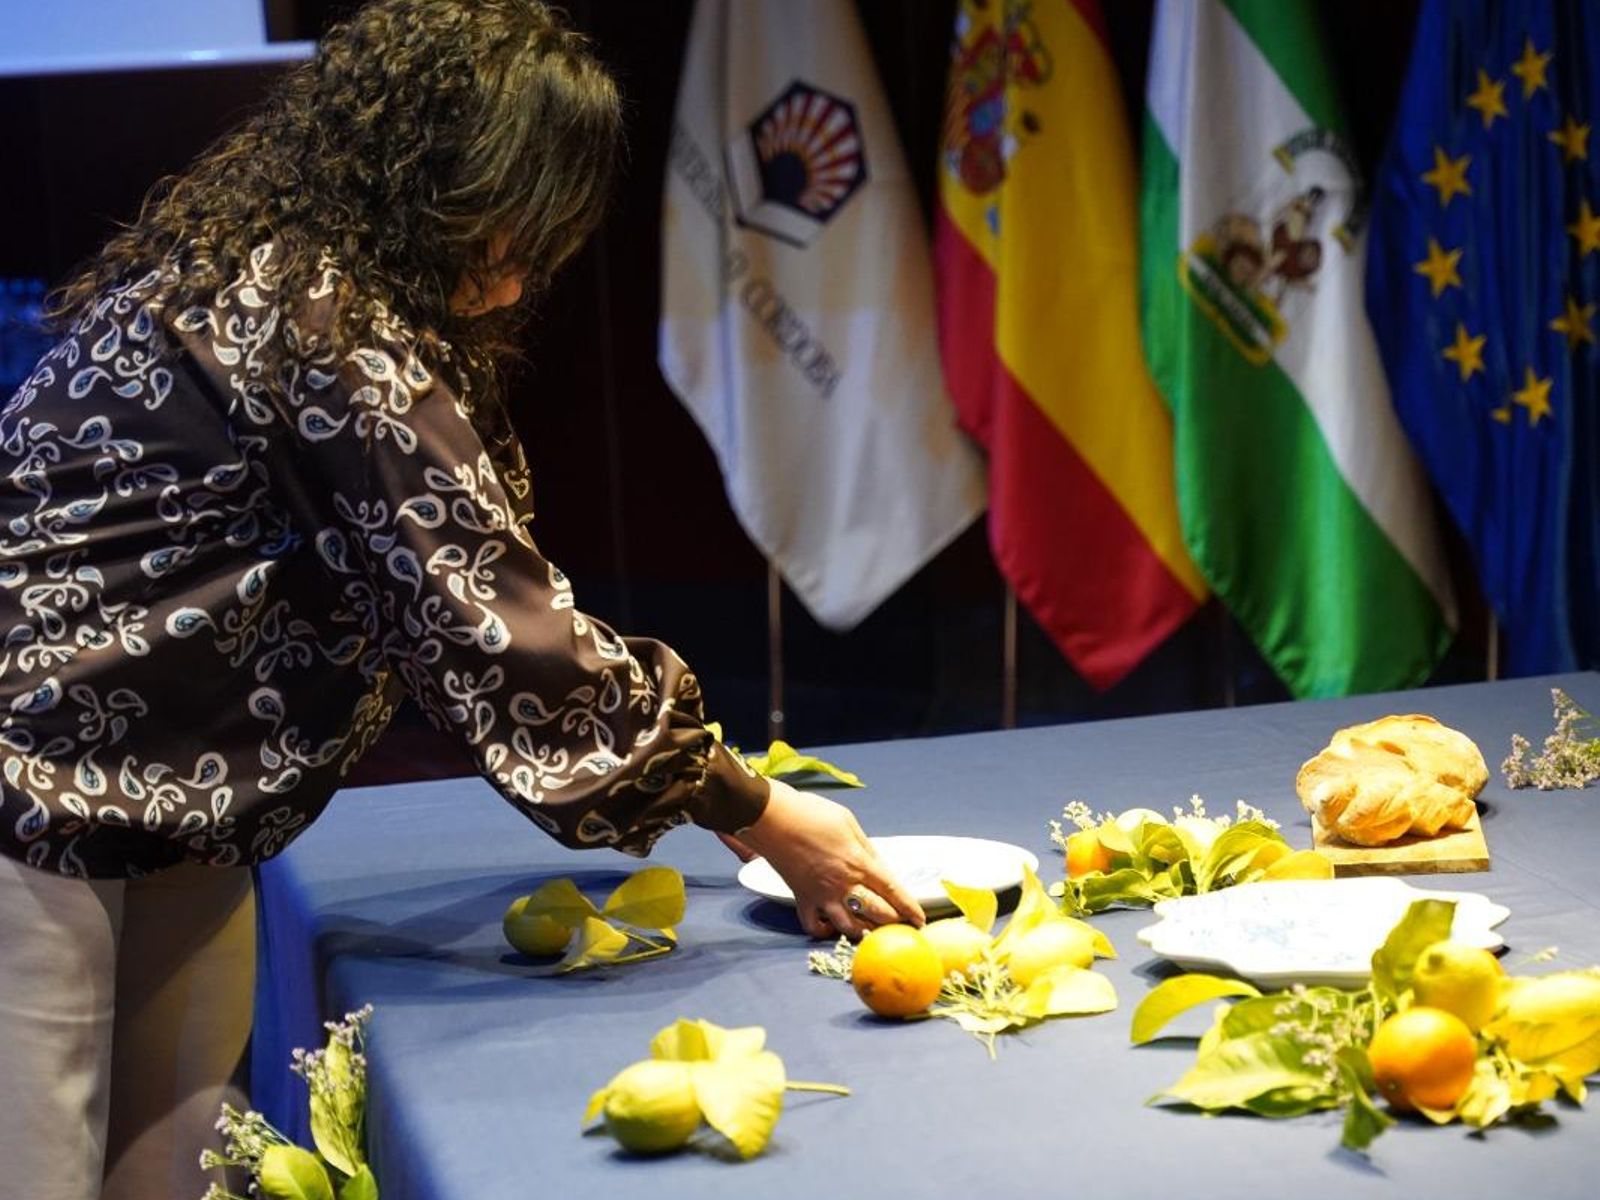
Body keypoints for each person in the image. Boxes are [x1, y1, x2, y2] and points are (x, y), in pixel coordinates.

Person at [0, 3, 922, 1197]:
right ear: (426, 182)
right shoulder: (314, 320)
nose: (525, 266)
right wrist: (753, 809)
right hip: (31, 795)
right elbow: (495, 633)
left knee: (178, 1173)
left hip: (184, 803)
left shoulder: (298, 281)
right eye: (511, 218)